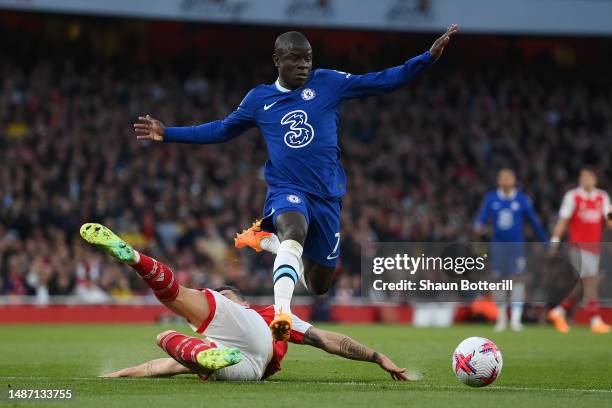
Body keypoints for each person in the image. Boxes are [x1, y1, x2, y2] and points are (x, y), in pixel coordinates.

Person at [133, 26, 459, 340]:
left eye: (307, 58)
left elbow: (381, 82)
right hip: (287, 189)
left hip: (328, 197)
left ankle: (265, 241)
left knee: (319, 284)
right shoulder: (259, 100)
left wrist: (426, 57)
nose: (303, 65)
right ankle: (283, 313)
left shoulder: (329, 83)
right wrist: (168, 133)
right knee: (294, 230)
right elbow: (222, 129)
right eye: (295, 58)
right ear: (277, 60)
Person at [80, 223, 409, 381]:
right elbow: (158, 366)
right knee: (169, 344)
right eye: (222, 295)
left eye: (228, 294)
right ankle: (206, 358)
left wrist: (376, 357)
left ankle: (135, 258)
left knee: (177, 299)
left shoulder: (268, 314)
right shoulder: (228, 337)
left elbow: (328, 339)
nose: (223, 296)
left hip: (256, 336)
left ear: (243, 300)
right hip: (248, 369)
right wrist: (117, 376)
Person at [474, 169, 548, 331]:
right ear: (498, 181)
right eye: (503, 177)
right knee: (499, 280)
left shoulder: (522, 199)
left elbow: (535, 222)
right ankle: (501, 317)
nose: (506, 180)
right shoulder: (491, 198)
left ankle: (515, 319)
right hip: (498, 246)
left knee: (517, 279)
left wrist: (545, 242)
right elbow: (481, 218)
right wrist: (478, 226)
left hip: (516, 246)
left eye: (509, 177)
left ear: (514, 181)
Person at [548, 168, 612, 334]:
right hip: (577, 246)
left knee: (583, 285)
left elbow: (609, 218)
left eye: (589, 177)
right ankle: (595, 320)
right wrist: (554, 241)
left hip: (594, 247)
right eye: (583, 177)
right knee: (591, 281)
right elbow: (563, 220)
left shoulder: (602, 197)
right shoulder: (572, 196)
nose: (586, 180)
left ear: (595, 179)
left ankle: (559, 311)